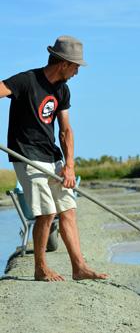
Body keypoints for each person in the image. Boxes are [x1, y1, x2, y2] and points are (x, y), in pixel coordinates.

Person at [0, 35, 108, 282]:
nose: (77, 72)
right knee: (47, 212)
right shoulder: (26, 81)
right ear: (63, 63)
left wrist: (69, 166)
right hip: (26, 155)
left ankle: (79, 268)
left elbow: (66, 130)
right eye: (76, 66)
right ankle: (40, 269)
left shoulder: (62, 90)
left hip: (52, 156)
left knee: (68, 209)